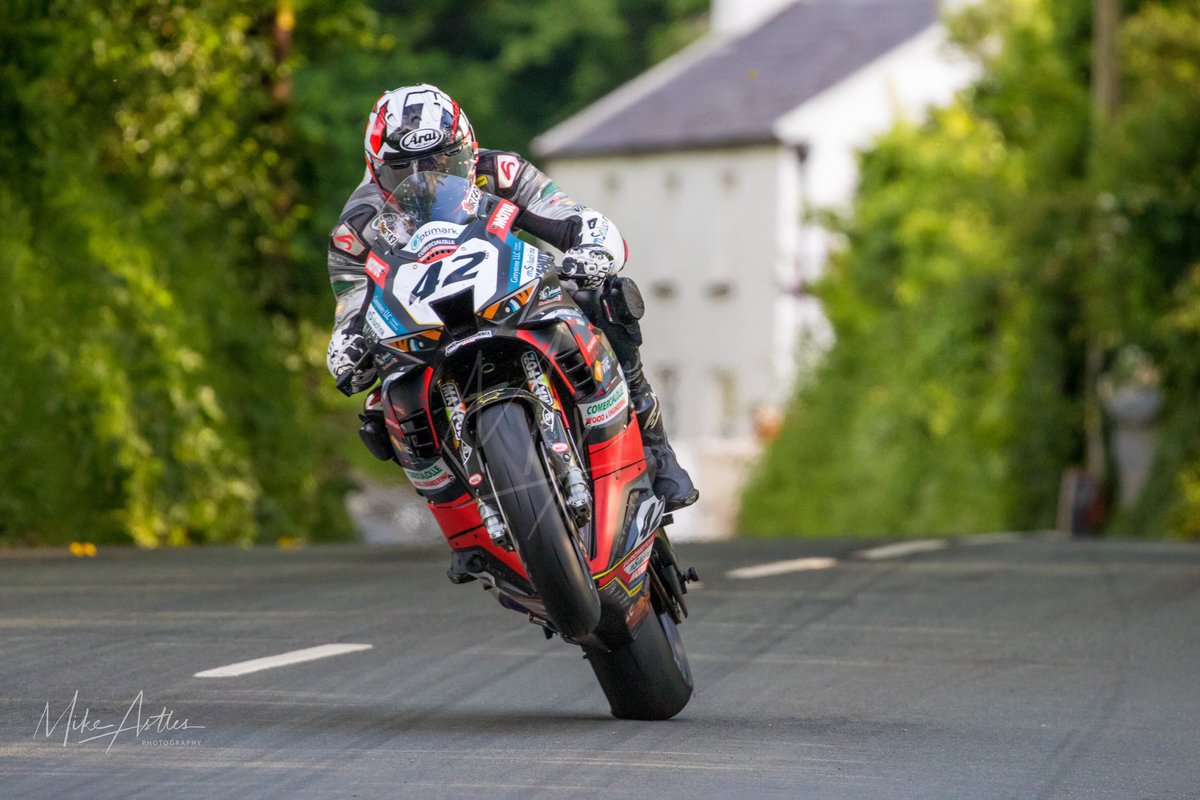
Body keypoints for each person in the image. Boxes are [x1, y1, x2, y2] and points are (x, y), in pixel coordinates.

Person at [325, 84, 697, 511]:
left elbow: (566, 212)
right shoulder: (356, 227)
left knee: (603, 296)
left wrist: (591, 247)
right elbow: (351, 301)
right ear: (376, 171)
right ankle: (459, 521)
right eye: (403, 172)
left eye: (443, 162)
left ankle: (656, 447)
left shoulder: (500, 172)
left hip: (510, 293)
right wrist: (348, 345)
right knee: (380, 405)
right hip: (423, 325)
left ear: (468, 149)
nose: (425, 179)